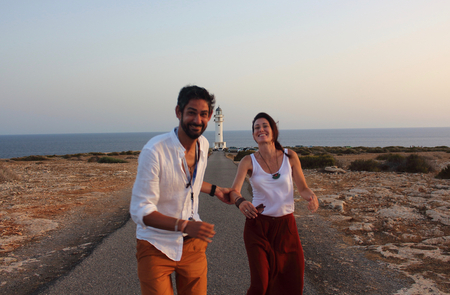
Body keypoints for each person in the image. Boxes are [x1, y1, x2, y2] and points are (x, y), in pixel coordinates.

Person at [130, 85, 232, 295]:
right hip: (155, 246)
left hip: (193, 247)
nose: (197, 120)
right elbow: (141, 210)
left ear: (211, 116)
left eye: (203, 114)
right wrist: (184, 225)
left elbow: (187, 183)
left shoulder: (203, 145)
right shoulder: (154, 151)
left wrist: (216, 190)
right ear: (179, 112)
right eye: (191, 113)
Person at [229, 112, 319, 295]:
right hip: (258, 227)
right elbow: (233, 191)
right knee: (260, 285)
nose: (260, 130)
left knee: (292, 282)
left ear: (273, 131)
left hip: (286, 228)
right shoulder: (248, 161)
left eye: (265, 126)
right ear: (254, 135)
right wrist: (240, 201)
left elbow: (303, 188)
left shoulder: (290, 156)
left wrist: (312, 196)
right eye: (256, 128)